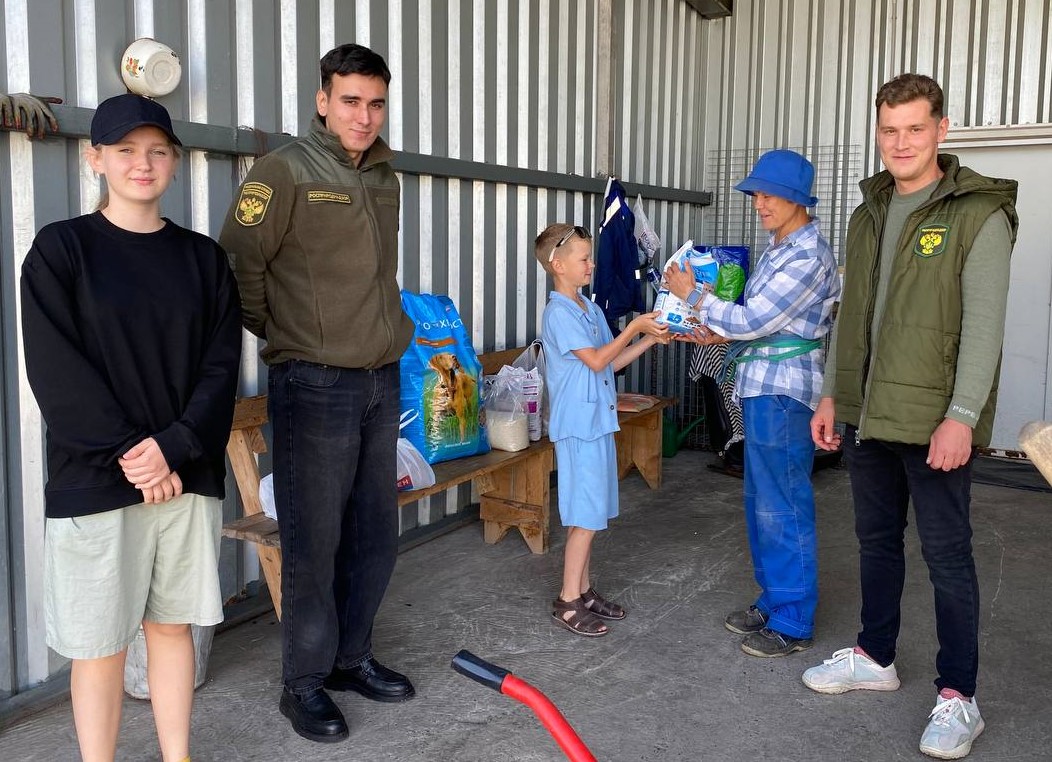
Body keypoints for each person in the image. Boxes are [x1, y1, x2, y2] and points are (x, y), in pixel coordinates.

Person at [20, 93, 242, 762]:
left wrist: (173, 447)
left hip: (185, 476)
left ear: (173, 161)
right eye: (125, 150)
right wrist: (132, 453)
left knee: (171, 628)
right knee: (100, 647)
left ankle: (178, 756)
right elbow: (56, 369)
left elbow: (220, 368)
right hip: (96, 479)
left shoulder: (204, 260)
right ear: (96, 159)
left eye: (157, 151)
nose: (142, 163)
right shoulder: (62, 250)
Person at [802, 73, 1017, 760]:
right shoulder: (868, 212)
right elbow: (850, 317)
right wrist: (833, 394)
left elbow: (984, 328)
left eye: (915, 128)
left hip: (934, 422)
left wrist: (962, 416)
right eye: (889, 130)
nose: (900, 142)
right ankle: (876, 655)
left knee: (948, 557)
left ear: (941, 130)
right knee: (876, 542)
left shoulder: (978, 213)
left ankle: (959, 696)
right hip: (869, 414)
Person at [219, 43, 415, 744]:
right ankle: (302, 683)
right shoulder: (285, 170)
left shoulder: (385, 176)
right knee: (314, 541)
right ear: (322, 100)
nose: (364, 116)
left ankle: (350, 659)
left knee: (374, 536)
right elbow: (238, 261)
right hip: (315, 384)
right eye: (350, 100)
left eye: (376, 103)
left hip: (380, 377)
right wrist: (285, 331)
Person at [665, 149, 840, 658]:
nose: (759, 204)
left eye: (769, 195)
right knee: (762, 502)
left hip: (784, 392)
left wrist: (693, 295)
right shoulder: (779, 247)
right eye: (756, 195)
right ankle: (774, 597)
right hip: (762, 384)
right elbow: (759, 324)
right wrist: (715, 333)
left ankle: (794, 618)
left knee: (783, 504)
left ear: (797, 199)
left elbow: (754, 320)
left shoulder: (807, 256)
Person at [536, 223, 669, 637]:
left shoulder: (589, 309)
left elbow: (610, 362)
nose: (591, 264)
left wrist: (650, 340)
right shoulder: (558, 313)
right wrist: (634, 328)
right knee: (585, 516)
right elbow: (595, 360)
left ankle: (583, 590)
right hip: (578, 426)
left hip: (597, 421)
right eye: (584, 259)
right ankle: (567, 601)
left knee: (590, 512)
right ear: (557, 265)